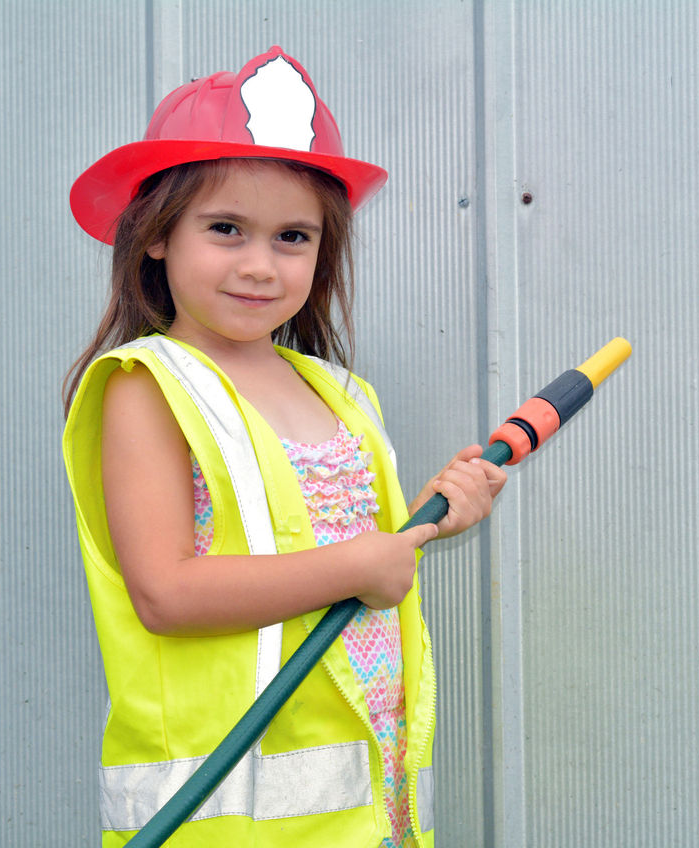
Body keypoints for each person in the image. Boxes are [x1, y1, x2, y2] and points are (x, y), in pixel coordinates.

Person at [62, 46, 505, 848]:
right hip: (226, 816)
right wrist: (362, 566)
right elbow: (164, 593)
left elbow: (340, 553)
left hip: (368, 804)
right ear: (156, 235)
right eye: (226, 229)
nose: (260, 265)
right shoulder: (147, 387)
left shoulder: (338, 391)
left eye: (292, 237)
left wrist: (433, 522)